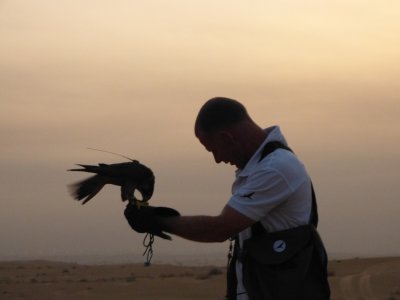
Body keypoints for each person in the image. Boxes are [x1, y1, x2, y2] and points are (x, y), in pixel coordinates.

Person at [125, 97, 330, 299]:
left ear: (227, 138)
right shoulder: (260, 166)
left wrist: (156, 220)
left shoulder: (276, 169)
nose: (217, 160)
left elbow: (219, 228)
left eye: (214, 150)